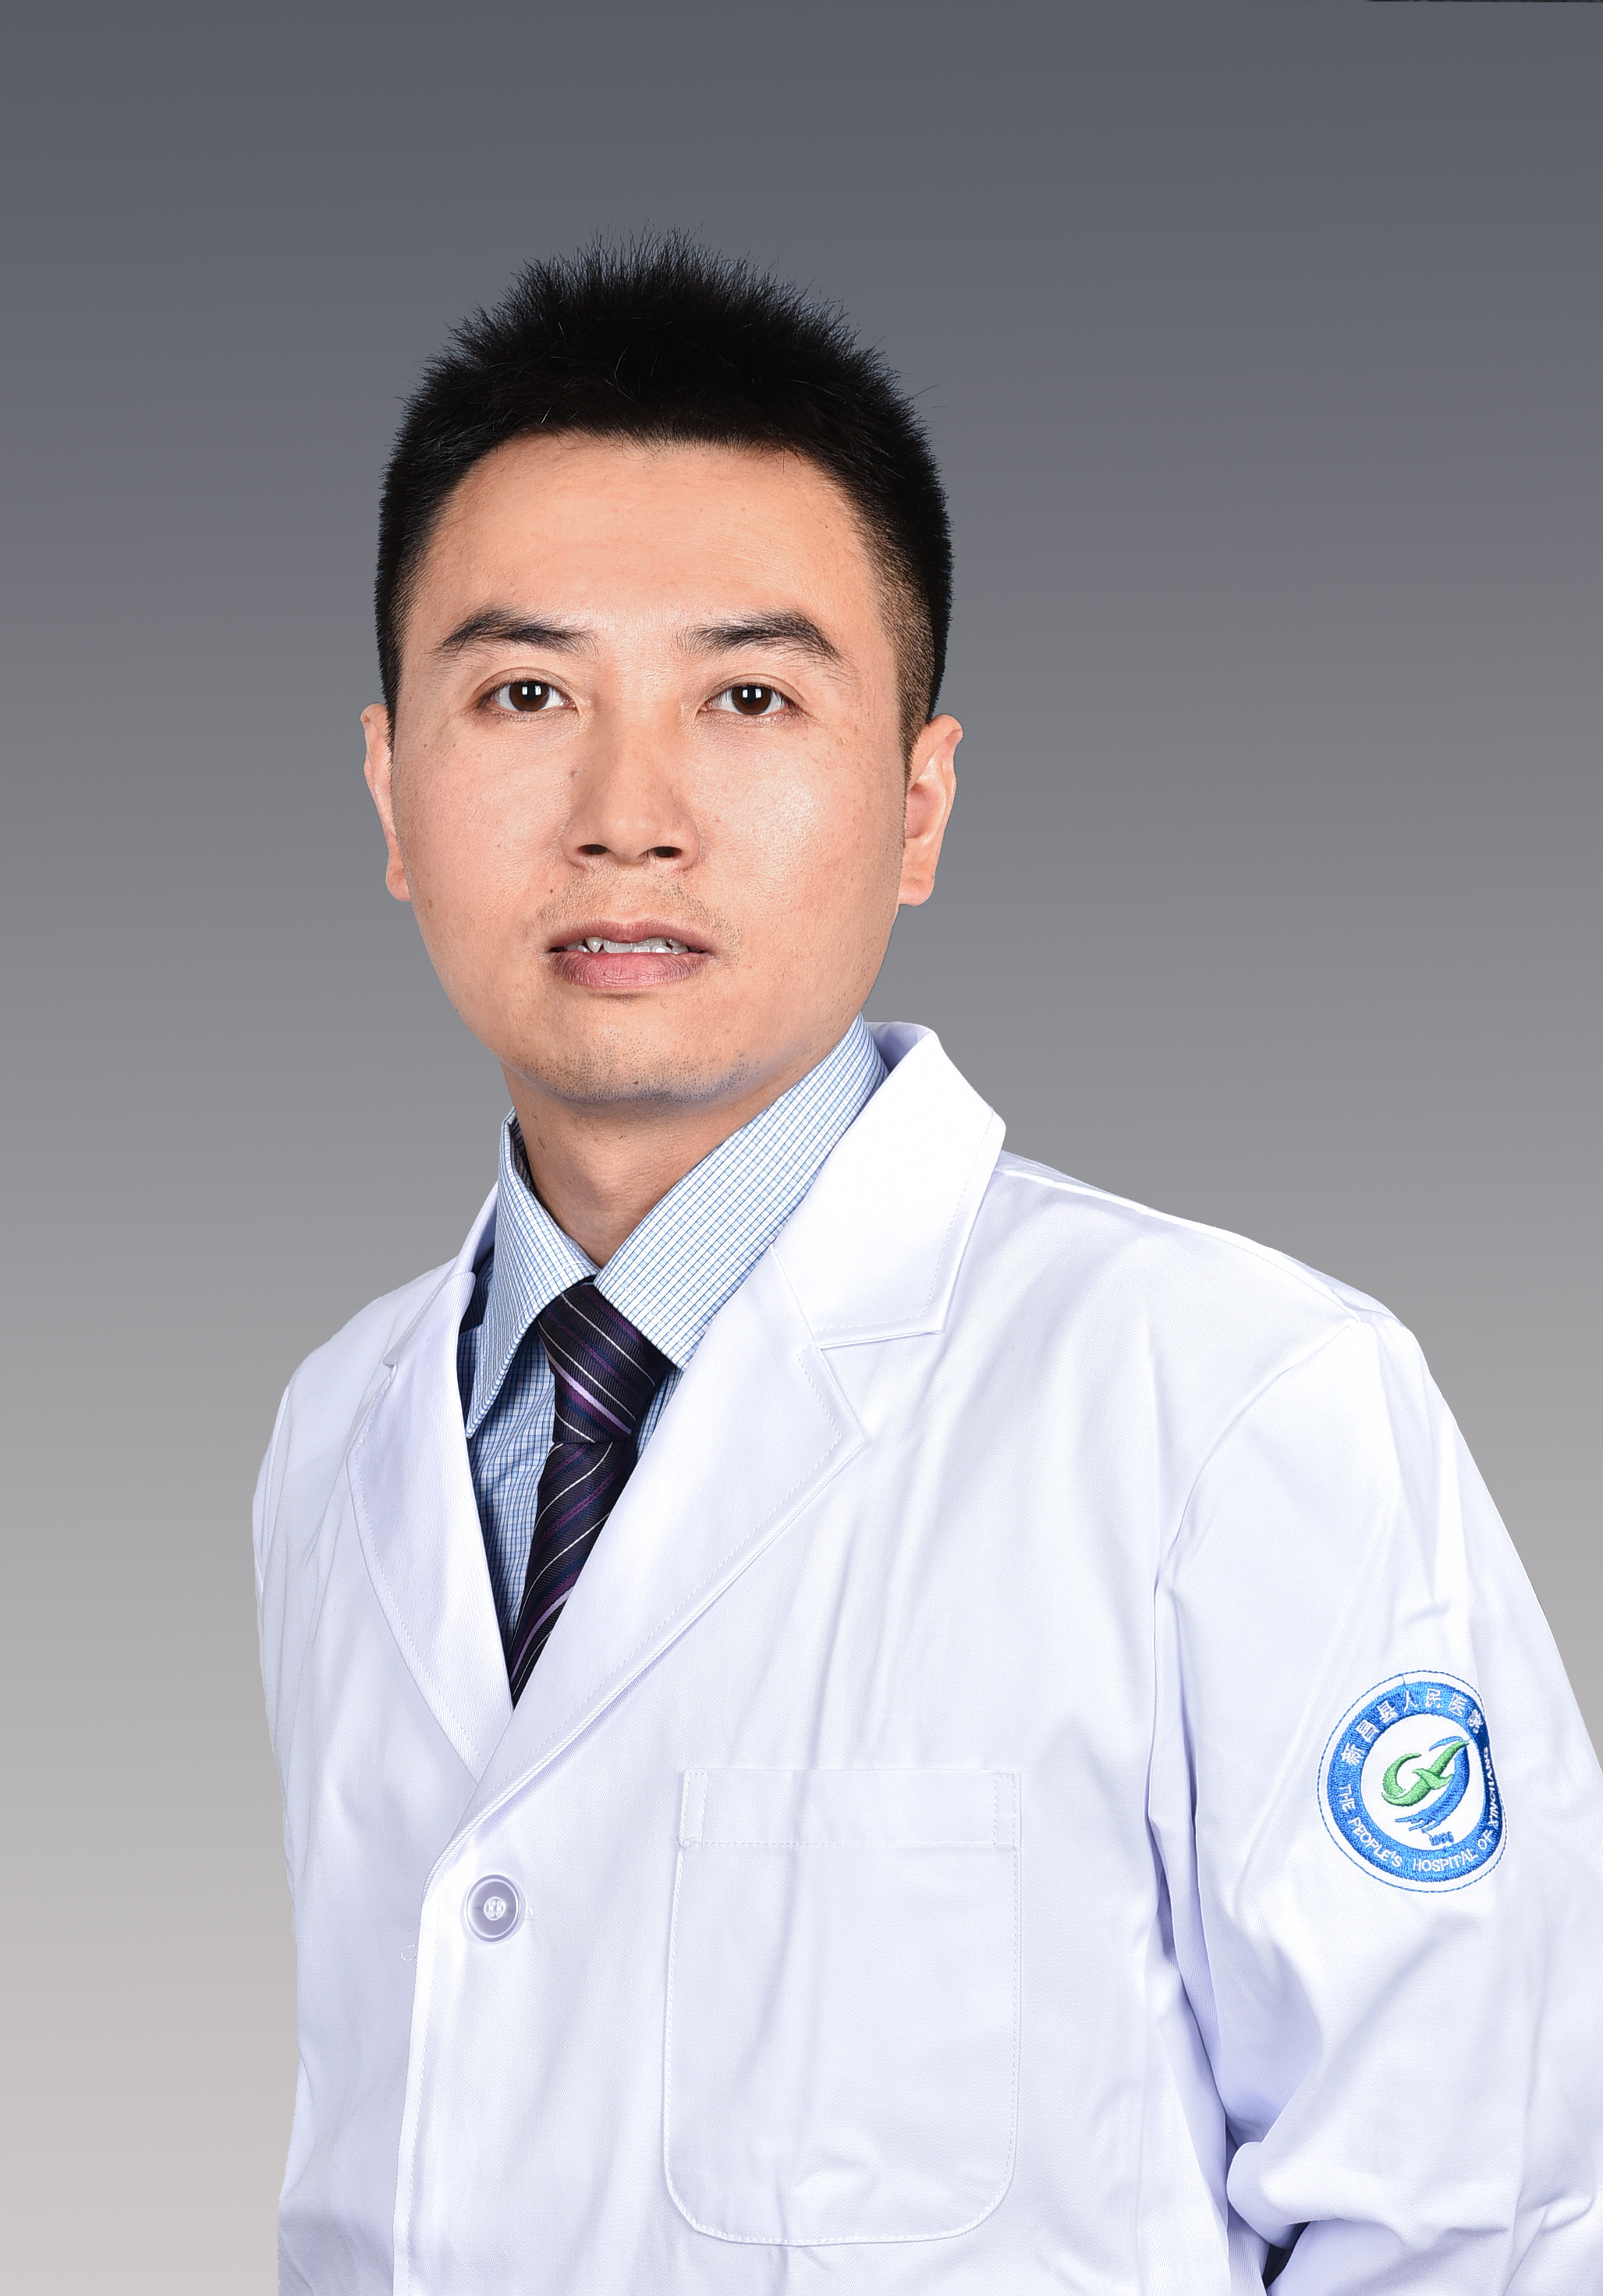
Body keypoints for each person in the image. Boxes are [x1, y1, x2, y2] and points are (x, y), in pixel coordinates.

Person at [254, 237, 1603, 2295]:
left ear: (918, 802)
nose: (629, 815)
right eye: (526, 693)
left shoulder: (1237, 1410)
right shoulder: (336, 1434)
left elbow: (1487, 2222)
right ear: (388, 790)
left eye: (749, 697)